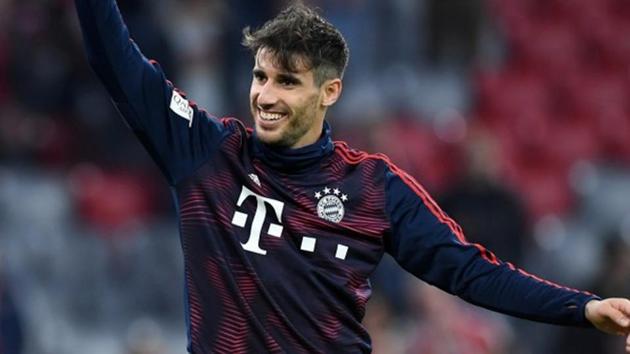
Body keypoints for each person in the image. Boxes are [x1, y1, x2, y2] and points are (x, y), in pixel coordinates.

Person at [74, 0, 630, 353]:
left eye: (287, 82)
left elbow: (469, 273)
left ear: (328, 91)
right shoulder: (207, 152)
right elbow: (114, 59)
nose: (265, 96)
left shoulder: (374, 188)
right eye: (260, 76)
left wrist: (581, 309)